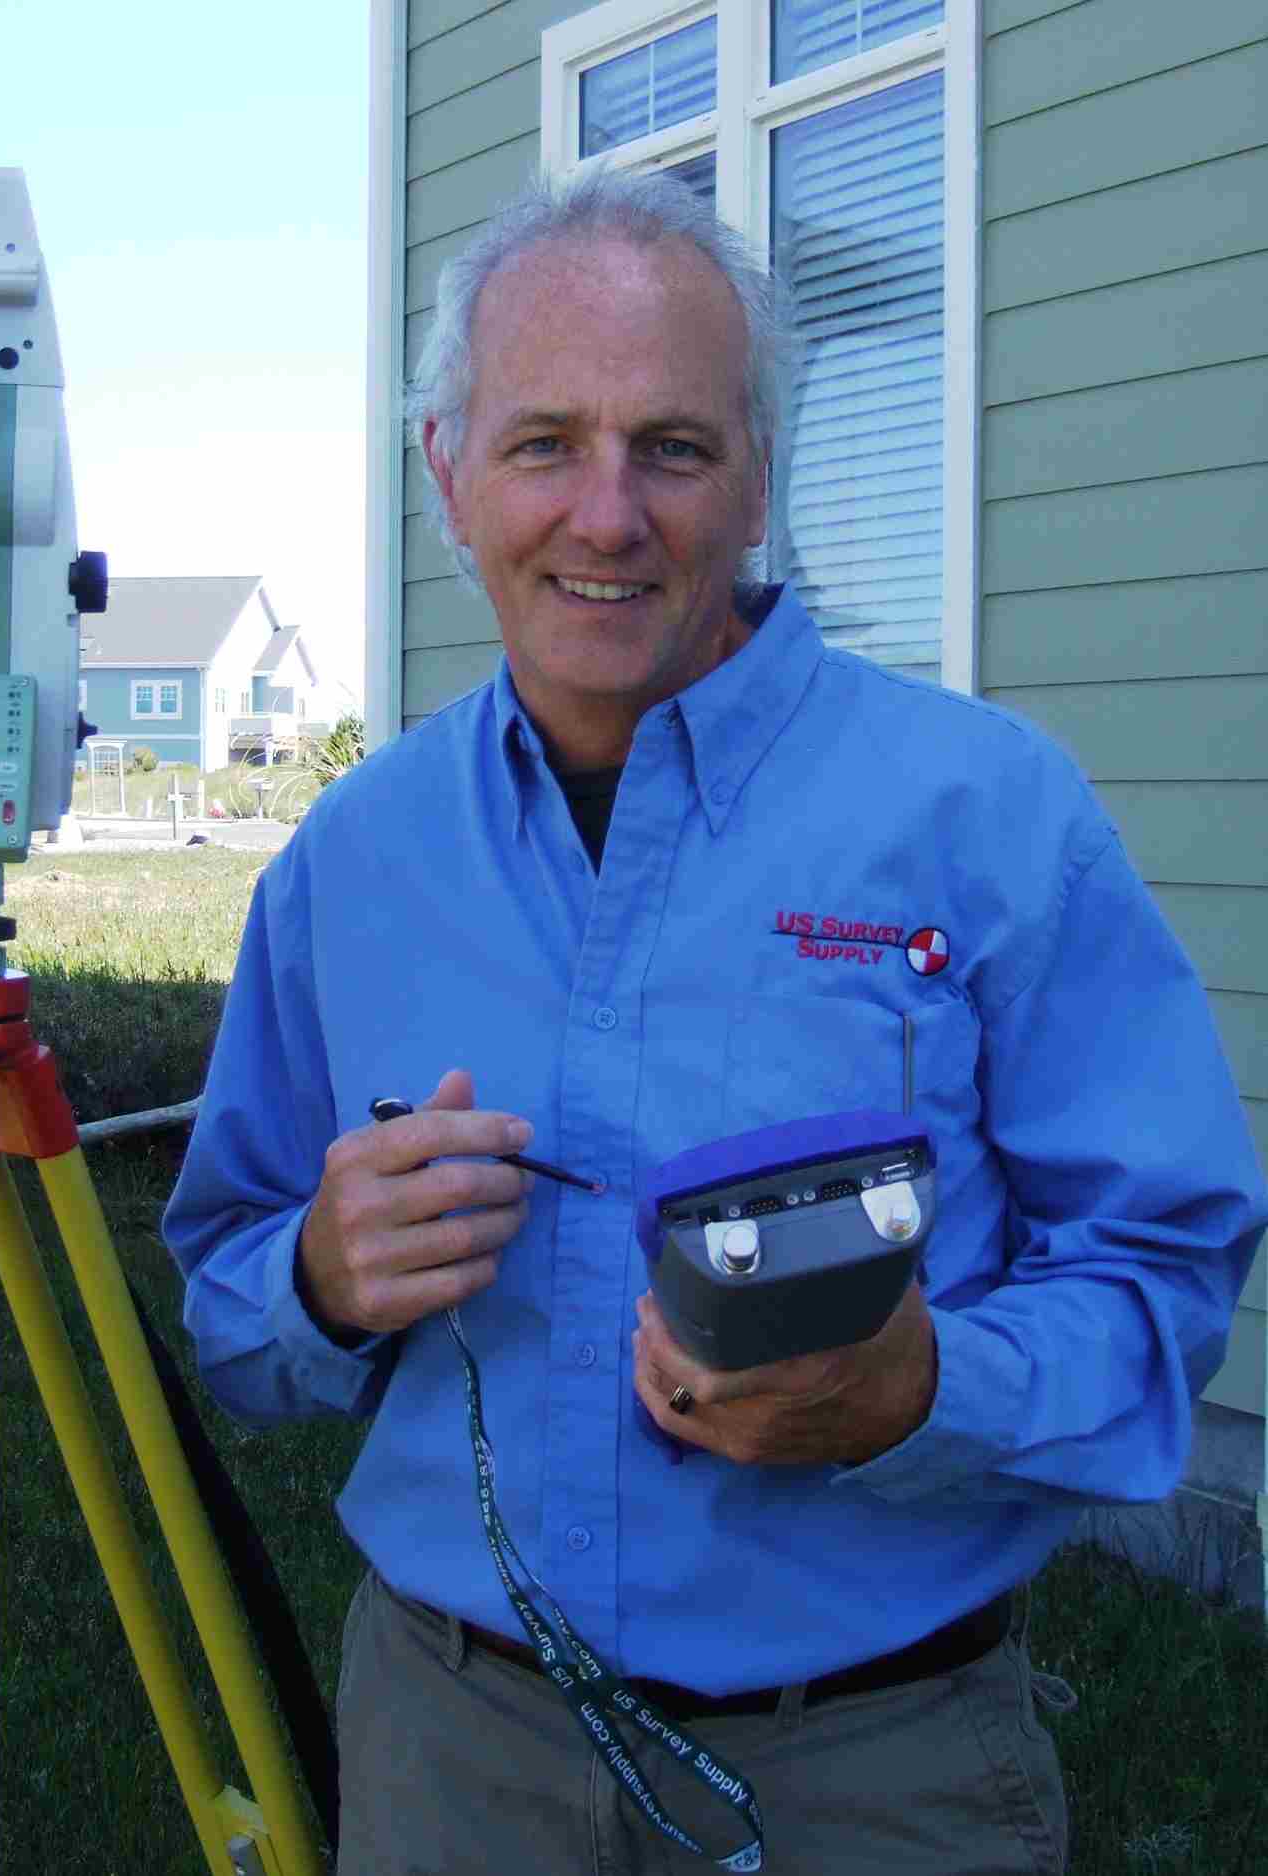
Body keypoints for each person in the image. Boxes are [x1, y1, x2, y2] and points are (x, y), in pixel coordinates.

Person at [162, 164, 1266, 1875]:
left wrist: (923, 1394)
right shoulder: (349, 859)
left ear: (758, 481)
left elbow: (1163, 1271)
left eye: (671, 448)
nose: (605, 517)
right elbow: (227, 1293)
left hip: (879, 1771)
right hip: (455, 1758)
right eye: (542, 444)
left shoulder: (986, 815)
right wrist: (314, 1274)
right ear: (448, 475)